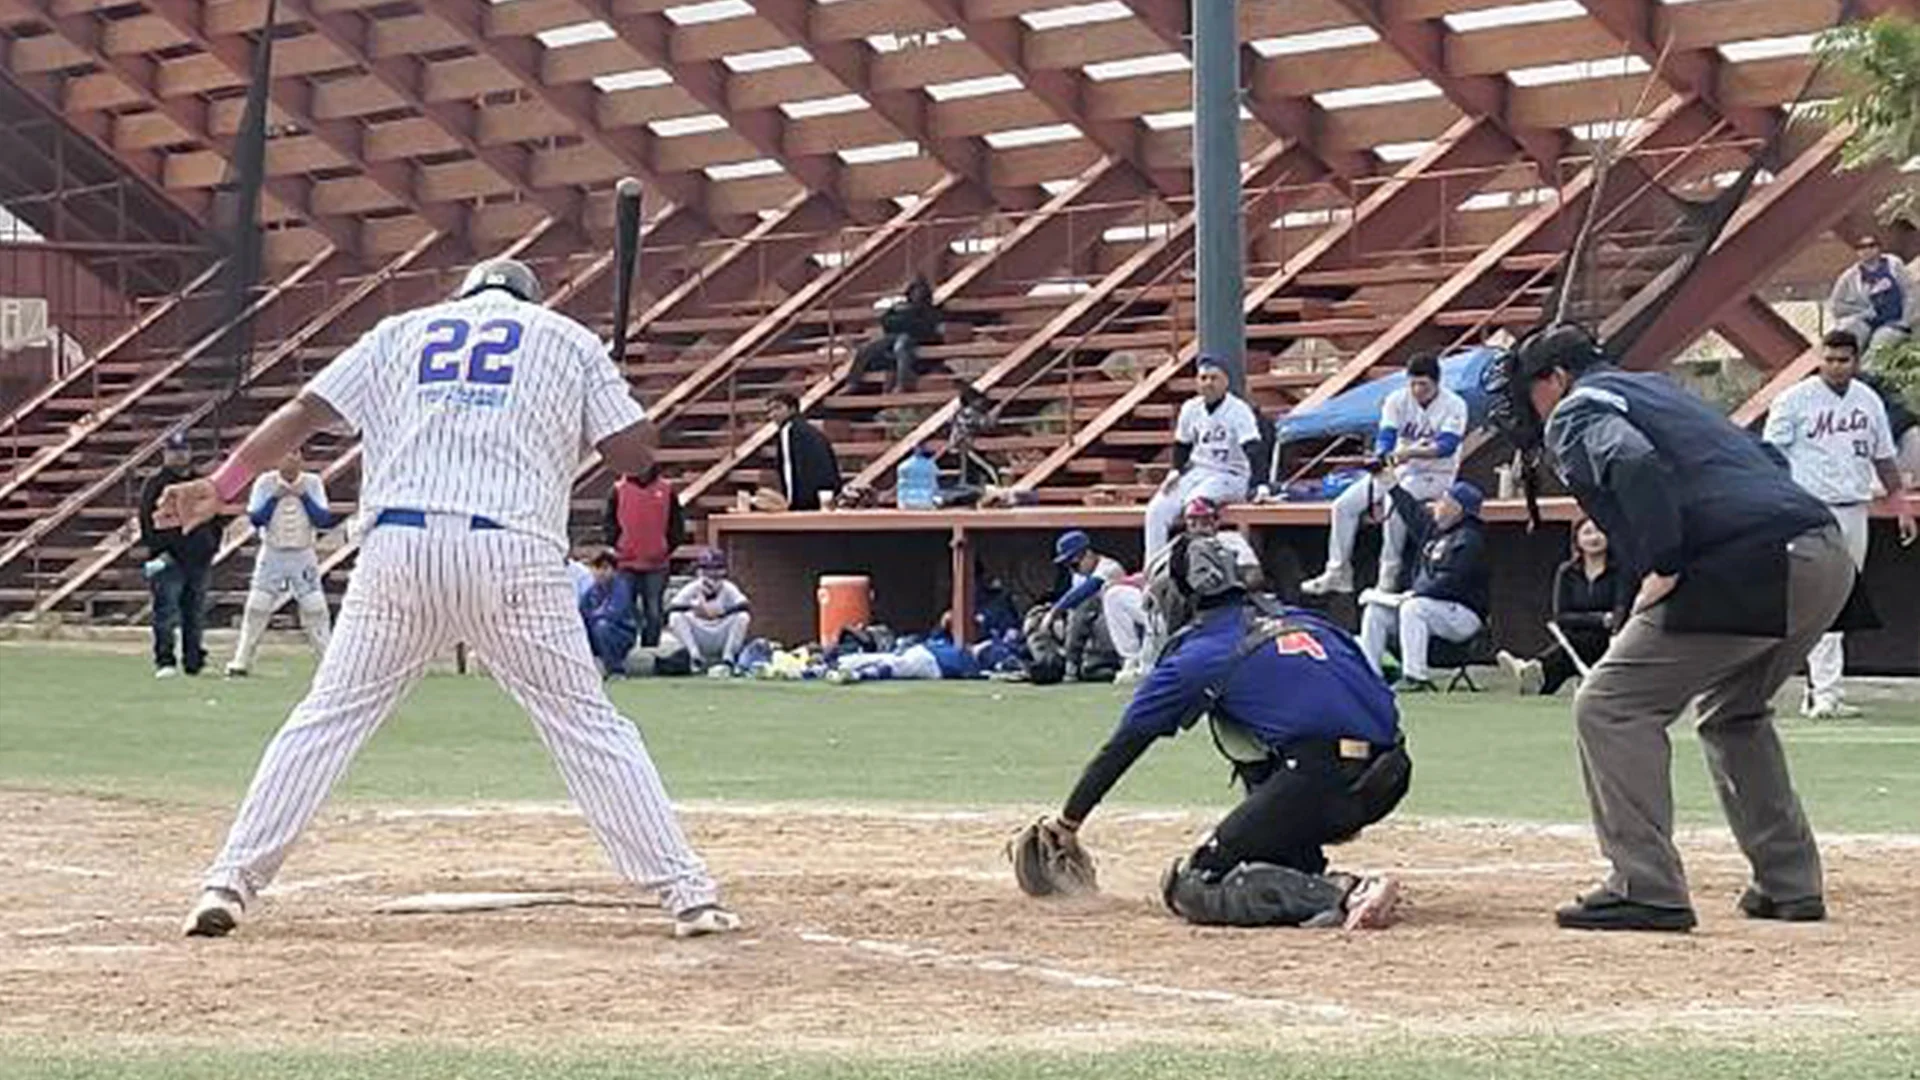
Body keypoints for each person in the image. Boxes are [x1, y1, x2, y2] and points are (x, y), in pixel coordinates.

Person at [161, 257, 739, 940]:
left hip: (397, 550)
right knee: (588, 727)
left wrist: (221, 487)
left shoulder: (401, 330)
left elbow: (304, 412)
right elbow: (636, 460)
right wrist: (622, 403)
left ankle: (228, 881)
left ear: (465, 294)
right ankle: (687, 894)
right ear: (531, 298)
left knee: (325, 720)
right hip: (512, 552)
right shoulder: (568, 340)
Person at [1499, 324, 1854, 933]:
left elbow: (1631, 461)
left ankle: (1645, 886)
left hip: (1750, 564)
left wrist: (1662, 564)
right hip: (1824, 551)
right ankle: (1789, 882)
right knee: (1734, 713)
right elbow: (1767, 460)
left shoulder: (1578, 410)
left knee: (1610, 705)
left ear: (1556, 378)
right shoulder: (1657, 390)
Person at [1034, 536, 1408, 929]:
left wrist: (1067, 822)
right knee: (1266, 773)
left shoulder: (1200, 655)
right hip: (1390, 774)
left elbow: (1126, 744)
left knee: (1195, 883)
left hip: (1320, 779)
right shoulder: (1308, 620)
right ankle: (1302, 865)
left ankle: (1348, 894)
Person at [1763, 331, 1918, 719]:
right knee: (1810, 596)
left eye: (1843, 360)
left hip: (1853, 506)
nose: (1835, 366)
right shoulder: (1794, 400)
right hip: (1809, 508)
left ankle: (1825, 690)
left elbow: (1883, 456)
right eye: (1829, 359)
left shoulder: (1867, 401)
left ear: (1856, 361)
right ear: (1820, 359)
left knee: (1842, 599)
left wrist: (1899, 502)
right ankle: (1807, 689)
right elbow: (1771, 455)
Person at [1303, 353, 1469, 595]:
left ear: (1437, 382)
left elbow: (1447, 446)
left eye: (1423, 384)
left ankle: (1388, 575)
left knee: (1395, 503)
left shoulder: (1454, 404)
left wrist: (1408, 453)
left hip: (1436, 473)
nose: (1417, 390)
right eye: (1413, 383)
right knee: (1343, 506)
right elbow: (1386, 435)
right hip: (1400, 468)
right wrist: (1381, 456)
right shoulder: (1397, 399)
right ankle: (1338, 572)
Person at [1106, 497, 1262, 682]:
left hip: (1200, 609)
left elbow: (1254, 576)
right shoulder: (1180, 543)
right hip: (1164, 604)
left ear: (1216, 520)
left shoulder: (1229, 540)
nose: (1199, 524)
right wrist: (1137, 584)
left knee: (1163, 608)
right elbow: (1151, 574)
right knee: (1115, 595)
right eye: (1193, 520)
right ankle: (1131, 660)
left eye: (1205, 519)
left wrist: (1227, 582)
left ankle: (1149, 667)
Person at [1357, 481, 1490, 693]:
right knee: (1376, 611)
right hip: (1433, 608)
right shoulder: (1437, 532)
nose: (1436, 505)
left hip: (1464, 615)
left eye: (1443, 501)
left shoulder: (1469, 540)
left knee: (1414, 607)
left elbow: (1450, 582)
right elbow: (1412, 513)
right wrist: (1392, 485)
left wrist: (1414, 594)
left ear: (1457, 509)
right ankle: (1369, 676)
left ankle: (1415, 677)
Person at [226, 447, 335, 677]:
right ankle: (242, 659)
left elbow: (323, 518)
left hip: (303, 552)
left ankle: (329, 662)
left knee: (315, 607)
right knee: (257, 605)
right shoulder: (265, 482)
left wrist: (303, 496)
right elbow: (256, 518)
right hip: (273, 551)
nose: (291, 458)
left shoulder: (312, 482)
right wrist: (275, 497)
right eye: (286, 453)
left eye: (295, 453)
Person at [1143, 356, 1262, 557]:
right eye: (1203, 378)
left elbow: (1253, 449)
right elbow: (1182, 444)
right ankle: (1155, 566)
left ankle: (1201, 562)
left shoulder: (1238, 410)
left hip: (1231, 474)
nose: (1208, 383)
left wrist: (1259, 484)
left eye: (1214, 378)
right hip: (1198, 471)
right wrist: (1175, 471)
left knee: (1196, 503)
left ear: (1226, 381)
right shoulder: (1190, 407)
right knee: (1157, 509)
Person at [1498, 516, 1630, 697]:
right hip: (1573, 640)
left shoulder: (1621, 571)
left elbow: (1620, 610)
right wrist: (1600, 619)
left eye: (1599, 531)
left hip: (1609, 641)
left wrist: (1603, 622)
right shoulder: (1567, 572)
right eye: (1587, 533)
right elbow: (1561, 617)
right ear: (1577, 540)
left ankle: (1531, 668)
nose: (1594, 538)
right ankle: (1533, 677)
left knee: (1573, 646)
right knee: (1567, 652)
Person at [139, 431, 225, 679]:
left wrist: (211, 546)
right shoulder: (155, 485)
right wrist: (161, 550)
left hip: (198, 558)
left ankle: (194, 660)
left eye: (183, 450)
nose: (179, 455)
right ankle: (165, 660)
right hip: (168, 559)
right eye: (174, 451)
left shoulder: (201, 483)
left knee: (194, 613)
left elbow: (215, 516)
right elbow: (147, 522)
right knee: (166, 612)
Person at [605, 463, 684, 648]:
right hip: (626, 563)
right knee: (624, 609)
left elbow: (676, 523)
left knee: (654, 612)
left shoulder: (667, 490)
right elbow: (609, 522)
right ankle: (626, 649)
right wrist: (617, 544)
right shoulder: (618, 490)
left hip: (657, 564)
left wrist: (665, 548)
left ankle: (651, 650)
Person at [1043, 530, 1124, 681]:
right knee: (1038, 614)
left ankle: (1072, 664)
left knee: (1085, 604)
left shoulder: (1109, 567)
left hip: (1112, 630)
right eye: (1068, 566)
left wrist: (1055, 612)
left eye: (1074, 564)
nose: (1073, 569)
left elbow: (1087, 590)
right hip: (1089, 636)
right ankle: (1054, 663)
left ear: (1088, 554)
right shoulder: (1078, 576)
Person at [666, 548, 752, 673]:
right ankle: (695, 657)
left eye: (717, 568)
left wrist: (722, 612)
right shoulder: (693, 587)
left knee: (743, 617)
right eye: (708, 569)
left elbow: (744, 605)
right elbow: (672, 607)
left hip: (721, 631)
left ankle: (728, 658)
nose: (712, 573)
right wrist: (695, 609)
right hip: (699, 633)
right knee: (675, 617)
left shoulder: (728, 587)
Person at [854, 275, 943, 392]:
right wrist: (904, 319)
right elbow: (886, 322)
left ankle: (903, 383)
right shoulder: (900, 307)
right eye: (915, 290)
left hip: (919, 340)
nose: (917, 294)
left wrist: (905, 321)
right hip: (896, 336)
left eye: (920, 291)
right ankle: (853, 382)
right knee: (867, 347)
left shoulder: (930, 310)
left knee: (901, 345)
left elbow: (923, 328)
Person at [1828, 236, 1912, 357]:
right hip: (1865, 322)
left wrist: (1906, 320)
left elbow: (1910, 293)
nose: (1867, 250)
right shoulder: (1849, 276)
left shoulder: (1894, 264)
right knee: (1849, 341)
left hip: (1893, 322)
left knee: (1879, 346)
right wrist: (1863, 312)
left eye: (1872, 245)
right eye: (1861, 247)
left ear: (1879, 248)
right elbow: (1836, 306)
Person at [761, 392, 841, 511]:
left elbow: (789, 468)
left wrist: (790, 502)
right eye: (770, 411)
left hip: (804, 499)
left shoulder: (788, 430)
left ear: (792, 409)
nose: (773, 414)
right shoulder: (810, 430)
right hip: (822, 496)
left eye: (778, 408)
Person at [579, 551, 639, 677]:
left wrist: (593, 617)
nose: (600, 572)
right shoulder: (591, 592)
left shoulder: (621, 587)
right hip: (596, 631)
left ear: (614, 570)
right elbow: (582, 613)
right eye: (596, 568)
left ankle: (616, 670)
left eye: (605, 568)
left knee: (602, 626)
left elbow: (614, 613)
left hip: (621, 633)